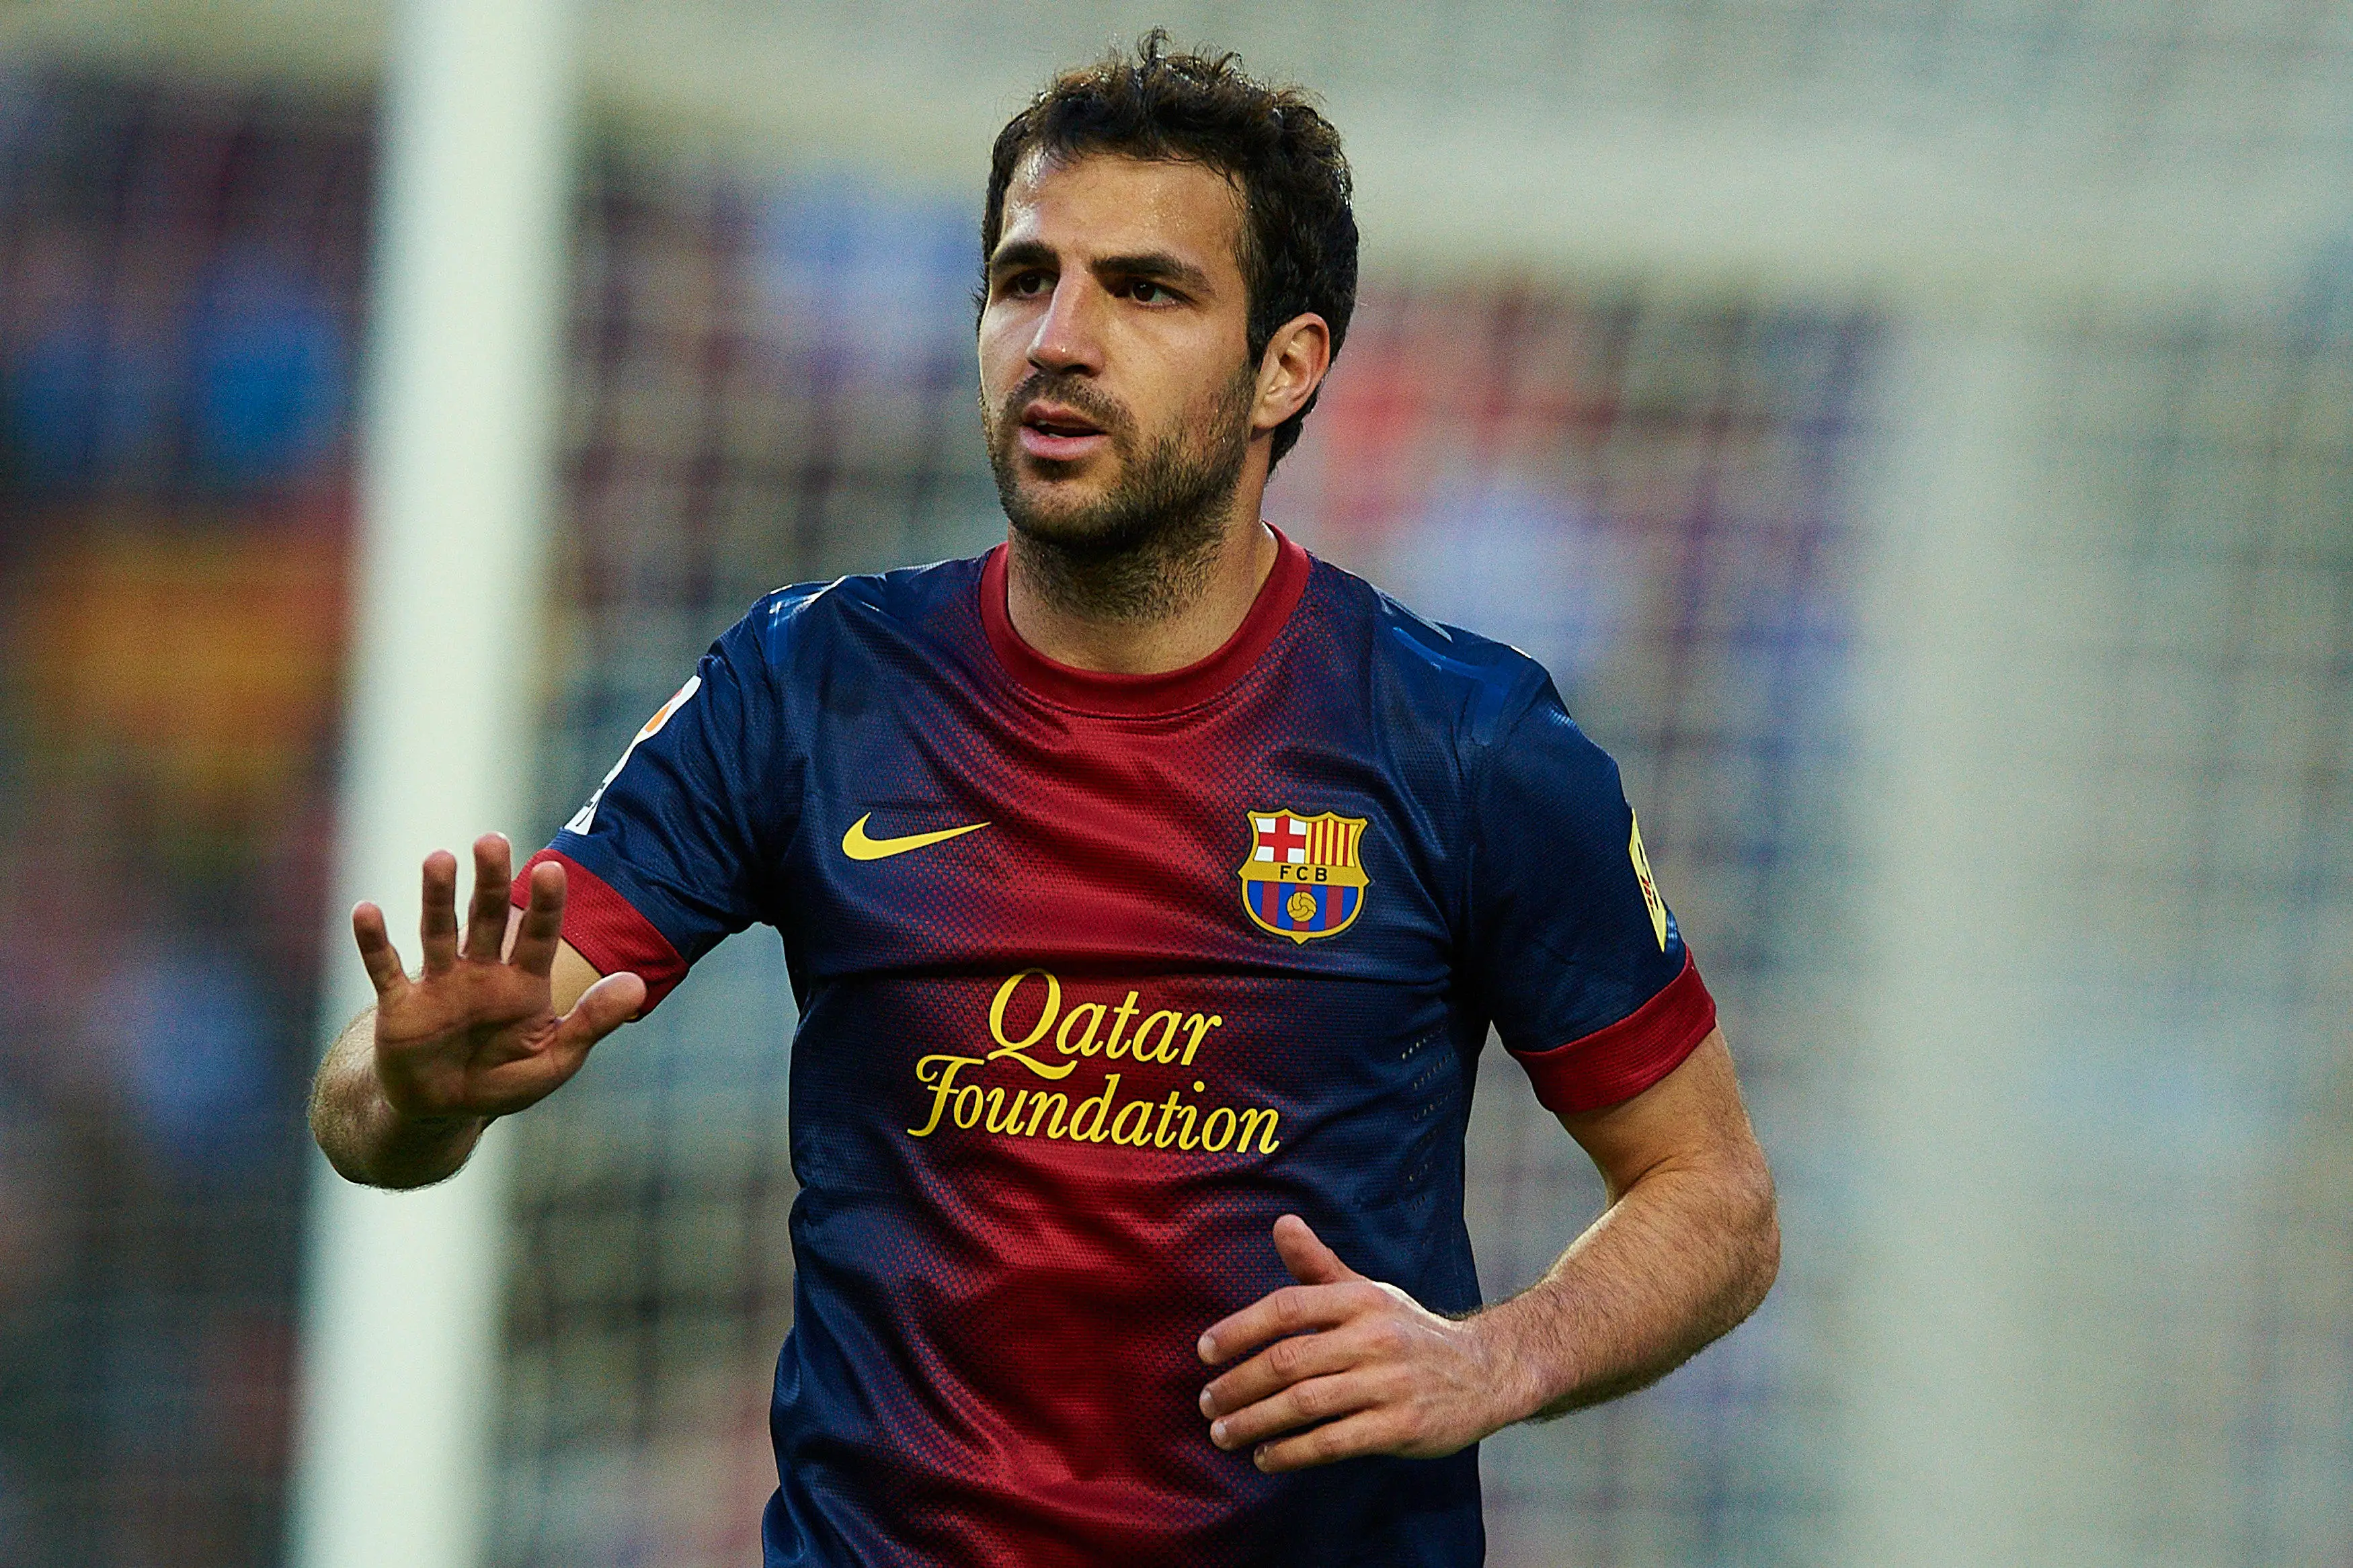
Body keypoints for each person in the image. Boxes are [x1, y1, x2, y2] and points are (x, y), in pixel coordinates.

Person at [311, 34, 1778, 1566]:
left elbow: (1714, 1196)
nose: (1057, 338)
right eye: (1024, 280)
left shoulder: (1463, 740)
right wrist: (409, 1088)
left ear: (1289, 364)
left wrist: (1497, 1356)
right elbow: (384, 1108)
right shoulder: (807, 685)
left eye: (1145, 290)